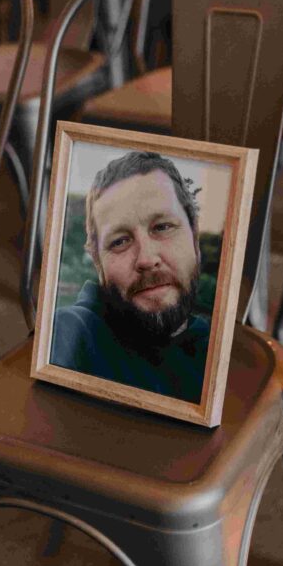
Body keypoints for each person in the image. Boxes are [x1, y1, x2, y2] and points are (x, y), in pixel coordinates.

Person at [50, 151, 211, 404]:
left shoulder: (220, 352)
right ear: (97, 262)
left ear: (195, 239)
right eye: (120, 241)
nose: (146, 259)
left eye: (162, 227)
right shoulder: (69, 333)